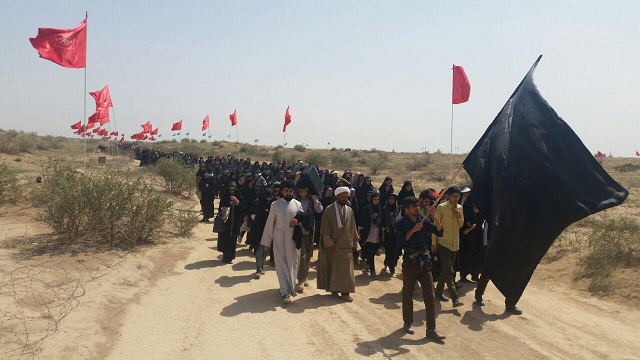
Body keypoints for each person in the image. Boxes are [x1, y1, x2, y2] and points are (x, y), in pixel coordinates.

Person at [396, 196, 445, 340]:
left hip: (425, 262)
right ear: (407, 209)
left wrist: (435, 215)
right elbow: (399, 242)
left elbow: (439, 232)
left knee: (430, 297)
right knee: (408, 294)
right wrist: (413, 230)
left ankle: (431, 329)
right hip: (410, 263)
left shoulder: (424, 219)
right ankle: (408, 322)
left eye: (417, 205)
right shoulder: (402, 223)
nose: (417, 208)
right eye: (413, 206)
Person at [260, 180, 304, 304]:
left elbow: (304, 220)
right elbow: (269, 224)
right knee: (281, 265)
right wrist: (267, 242)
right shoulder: (275, 205)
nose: (288, 193)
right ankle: (284, 291)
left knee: (293, 264)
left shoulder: (297, 204)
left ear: (293, 192)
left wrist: (298, 222)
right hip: (279, 240)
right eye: (286, 191)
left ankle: (291, 287)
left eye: (291, 191)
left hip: (293, 241)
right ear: (282, 191)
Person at [317, 186, 359, 302]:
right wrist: (329, 243)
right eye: (342, 196)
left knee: (346, 272)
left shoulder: (350, 210)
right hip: (333, 246)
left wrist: (355, 243)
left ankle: (345, 292)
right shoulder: (329, 210)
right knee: (333, 269)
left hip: (346, 246)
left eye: (346, 197)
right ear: (337, 196)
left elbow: (353, 228)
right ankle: (334, 290)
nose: (344, 199)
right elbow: (325, 229)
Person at [432, 186, 465, 307]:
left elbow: (461, 225)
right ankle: (455, 297)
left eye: (458, 196)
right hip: (443, 242)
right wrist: (433, 242)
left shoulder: (460, 208)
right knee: (449, 271)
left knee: (445, 270)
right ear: (448, 196)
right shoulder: (441, 208)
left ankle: (438, 291)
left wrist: (458, 216)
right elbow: (436, 226)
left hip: (455, 243)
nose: (456, 198)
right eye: (454, 196)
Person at [294, 183, 323, 292]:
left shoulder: (312, 200)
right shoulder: (295, 200)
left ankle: (305, 275)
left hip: (310, 231)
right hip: (298, 231)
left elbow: (319, 210)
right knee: (302, 256)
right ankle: (300, 280)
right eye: (301, 192)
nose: (303, 194)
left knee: (308, 255)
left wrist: (315, 200)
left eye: (305, 192)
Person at [217, 181, 245, 264]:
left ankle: (230, 257)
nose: (232, 191)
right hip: (226, 222)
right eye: (230, 189)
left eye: (234, 189)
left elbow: (243, 208)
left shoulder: (238, 196)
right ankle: (225, 256)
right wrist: (222, 208)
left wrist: (237, 202)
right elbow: (220, 208)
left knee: (233, 239)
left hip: (235, 222)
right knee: (225, 239)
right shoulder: (225, 196)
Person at [358, 191, 383, 279]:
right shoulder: (366, 209)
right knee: (370, 252)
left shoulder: (380, 209)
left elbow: (382, 222)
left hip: (377, 233)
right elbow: (362, 220)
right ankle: (373, 271)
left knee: (374, 250)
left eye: (378, 199)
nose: (376, 201)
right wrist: (359, 232)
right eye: (375, 199)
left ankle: (368, 263)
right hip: (368, 233)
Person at [249, 189, 274, 278]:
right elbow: (250, 213)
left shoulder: (273, 204)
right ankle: (258, 269)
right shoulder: (257, 203)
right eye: (267, 198)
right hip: (258, 230)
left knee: (265, 250)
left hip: (268, 229)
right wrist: (254, 217)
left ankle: (262, 266)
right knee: (259, 249)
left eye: (270, 198)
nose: (268, 200)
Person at [381, 193, 401, 275]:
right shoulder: (385, 209)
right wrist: (382, 233)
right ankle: (391, 267)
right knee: (389, 250)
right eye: (389, 198)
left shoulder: (399, 209)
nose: (391, 200)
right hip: (388, 233)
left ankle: (391, 263)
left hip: (397, 233)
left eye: (393, 198)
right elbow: (382, 222)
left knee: (396, 251)